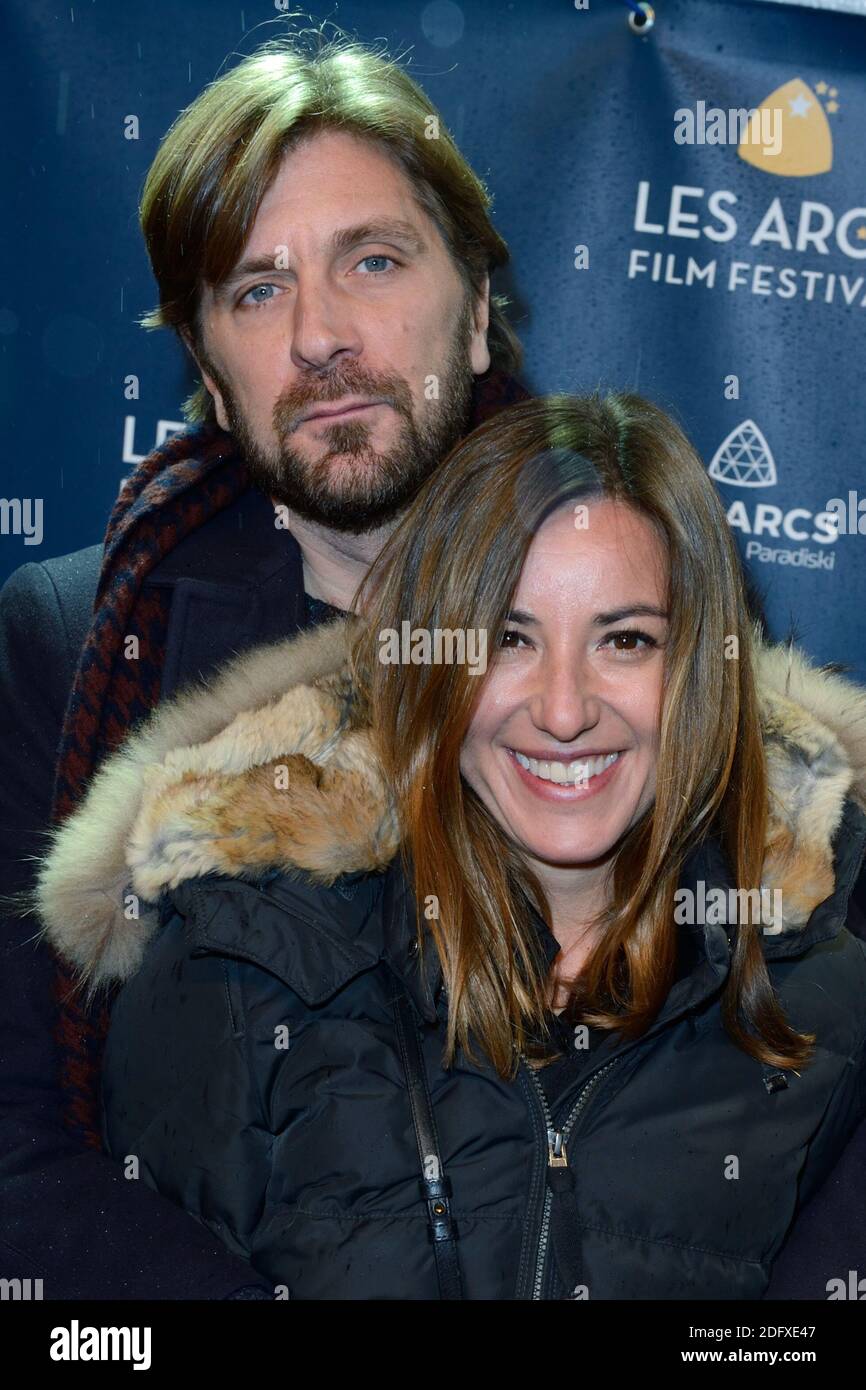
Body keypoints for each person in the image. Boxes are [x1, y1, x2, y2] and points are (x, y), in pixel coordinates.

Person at [30, 392, 866, 1299]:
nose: (563, 710)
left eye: (625, 641)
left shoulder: (826, 997)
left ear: (700, 670)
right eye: (510, 638)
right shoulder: (242, 953)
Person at [0, 31, 527, 1299]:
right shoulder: (72, 642)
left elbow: (797, 1083)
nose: (320, 337)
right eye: (255, 288)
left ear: (476, 316)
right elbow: (15, 1139)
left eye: (375, 261)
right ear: (212, 378)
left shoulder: (646, 622)